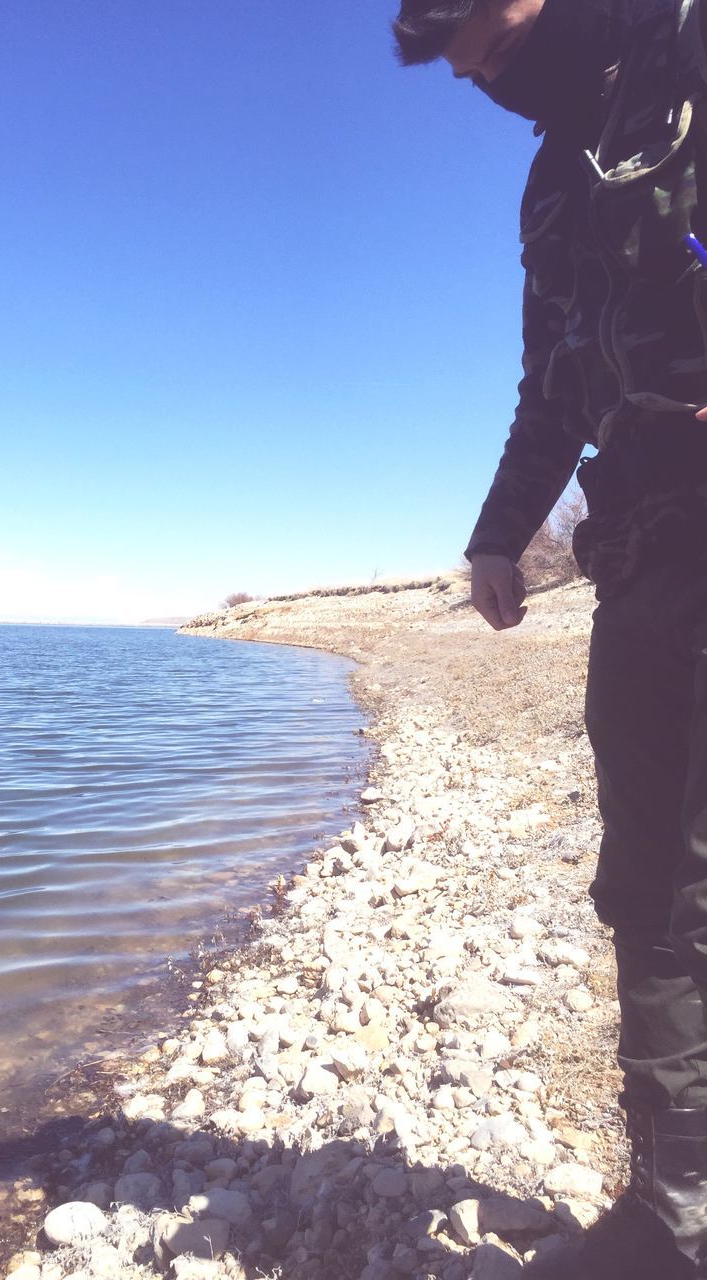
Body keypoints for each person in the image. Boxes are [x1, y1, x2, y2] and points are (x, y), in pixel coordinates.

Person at [392, 1, 707, 1276]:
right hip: (640, 547)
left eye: (505, 50)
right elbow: (551, 386)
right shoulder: (545, 184)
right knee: (653, 882)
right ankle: (675, 1208)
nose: (502, 89)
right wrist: (495, 537)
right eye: (475, 81)